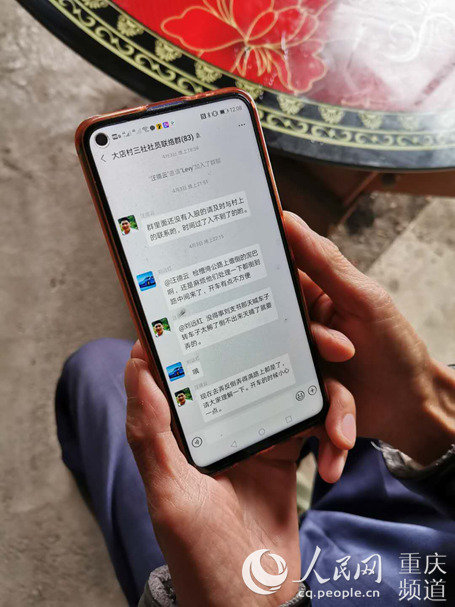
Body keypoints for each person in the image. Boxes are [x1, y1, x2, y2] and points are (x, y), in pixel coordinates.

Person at [56, 212, 455, 606]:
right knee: (310, 376)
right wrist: (424, 410)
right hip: (425, 499)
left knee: (97, 368)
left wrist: (250, 599)